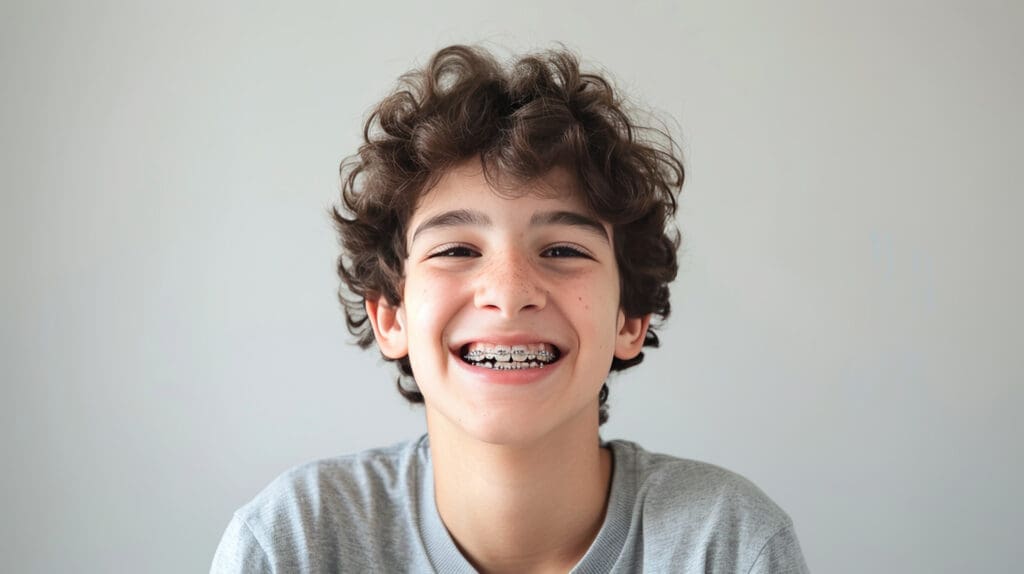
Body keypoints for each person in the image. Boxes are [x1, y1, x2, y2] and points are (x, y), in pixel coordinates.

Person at [210, 44, 809, 573]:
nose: (509, 290)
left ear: (630, 318)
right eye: (456, 250)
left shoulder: (730, 546)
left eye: (563, 250)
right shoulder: (290, 544)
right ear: (391, 316)